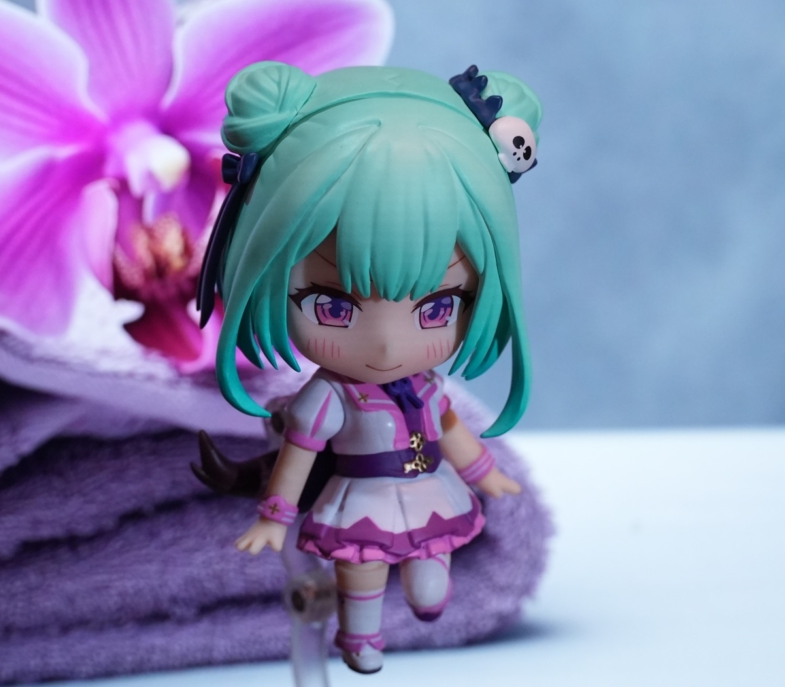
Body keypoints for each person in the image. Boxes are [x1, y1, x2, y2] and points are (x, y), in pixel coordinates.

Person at [200, 60, 541, 674]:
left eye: (437, 307)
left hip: (429, 488)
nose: (386, 348)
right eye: (332, 306)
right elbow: (298, 454)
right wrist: (275, 517)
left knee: (432, 568)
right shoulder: (331, 398)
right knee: (362, 574)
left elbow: (450, 427)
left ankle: (425, 599)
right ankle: (360, 638)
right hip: (359, 496)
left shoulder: (427, 385)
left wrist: (484, 473)